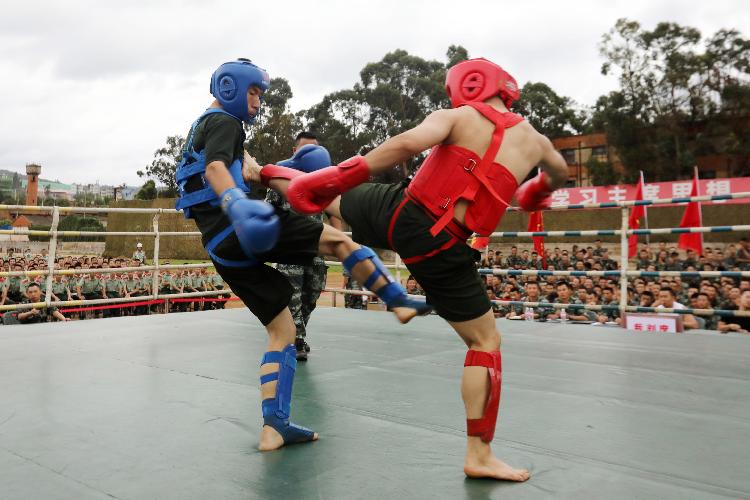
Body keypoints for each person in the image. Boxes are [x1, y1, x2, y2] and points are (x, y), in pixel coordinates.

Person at [260, 58, 568, 480]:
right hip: (445, 248)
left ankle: (259, 172)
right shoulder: (537, 141)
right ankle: (479, 455)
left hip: (403, 214)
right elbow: (558, 174)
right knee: (484, 341)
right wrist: (536, 193)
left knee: (331, 200)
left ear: (468, 86)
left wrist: (336, 176)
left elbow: (407, 143)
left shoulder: (457, 115)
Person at [173, 59, 431, 451]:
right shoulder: (225, 123)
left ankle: (274, 426)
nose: (258, 102)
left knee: (282, 331)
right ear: (230, 88)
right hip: (239, 226)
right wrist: (237, 204)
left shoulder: (200, 128)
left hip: (219, 247)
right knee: (340, 242)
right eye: (254, 92)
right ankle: (397, 301)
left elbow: (235, 169)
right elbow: (214, 170)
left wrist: (274, 171)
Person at [265, 133, 332, 360]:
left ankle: (296, 331)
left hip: (316, 246)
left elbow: (333, 209)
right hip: (290, 247)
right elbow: (268, 209)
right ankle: (297, 339)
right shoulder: (279, 177)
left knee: (311, 294)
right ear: (295, 152)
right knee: (292, 293)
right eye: (305, 150)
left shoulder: (323, 179)